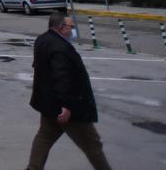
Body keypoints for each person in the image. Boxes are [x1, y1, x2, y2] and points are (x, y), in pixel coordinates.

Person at [27, 11, 112, 170]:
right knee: (92, 144)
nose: (72, 30)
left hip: (49, 104)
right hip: (70, 109)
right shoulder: (60, 48)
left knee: (44, 137)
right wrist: (66, 105)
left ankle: (33, 168)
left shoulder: (42, 40)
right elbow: (62, 77)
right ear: (61, 27)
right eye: (71, 27)